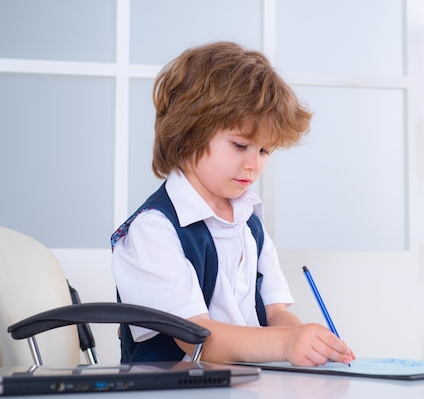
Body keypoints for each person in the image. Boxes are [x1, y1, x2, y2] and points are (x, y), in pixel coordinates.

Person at [111, 41, 354, 367]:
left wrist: (310, 342)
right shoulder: (151, 231)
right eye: (240, 145)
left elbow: (276, 313)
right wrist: (285, 343)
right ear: (188, 134)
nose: (254, 164)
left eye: (265, 151)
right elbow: (195, 337)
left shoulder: (248, 220)